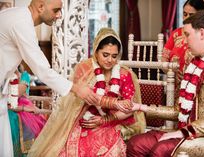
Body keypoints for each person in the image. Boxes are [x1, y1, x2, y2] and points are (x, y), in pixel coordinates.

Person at [127, 10, 204, 157]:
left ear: (202, 33)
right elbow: (179, 111)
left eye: (188, 34)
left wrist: (181, 132)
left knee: (161, 149)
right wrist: (141, 107)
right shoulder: (193, 65)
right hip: (187, 131)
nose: (185, 40)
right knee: (136, 143)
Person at [27, 27, 146, 157]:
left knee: (105, 145)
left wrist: (106, 119)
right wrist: (115, 103)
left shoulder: (124, 74)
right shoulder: (84, 69)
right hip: (85, 118)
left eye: (114, 56)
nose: (110, 60)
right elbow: (89, 97)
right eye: (105, 55)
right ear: (96, 52)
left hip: (114, 121)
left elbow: (129, 107)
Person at [162, 0, 204, 98]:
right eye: (185, 14)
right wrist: (171, 71)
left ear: (201, 15)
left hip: (198, 86)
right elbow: (163, 60)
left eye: (191, 15)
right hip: (174, 84)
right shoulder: (176, 34)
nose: (187, 18)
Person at [8, 70, 47, 156]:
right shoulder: (4, 75)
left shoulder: (24, 75)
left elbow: (15, 95)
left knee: (28, 127)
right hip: (9, 108)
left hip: (20, 108)